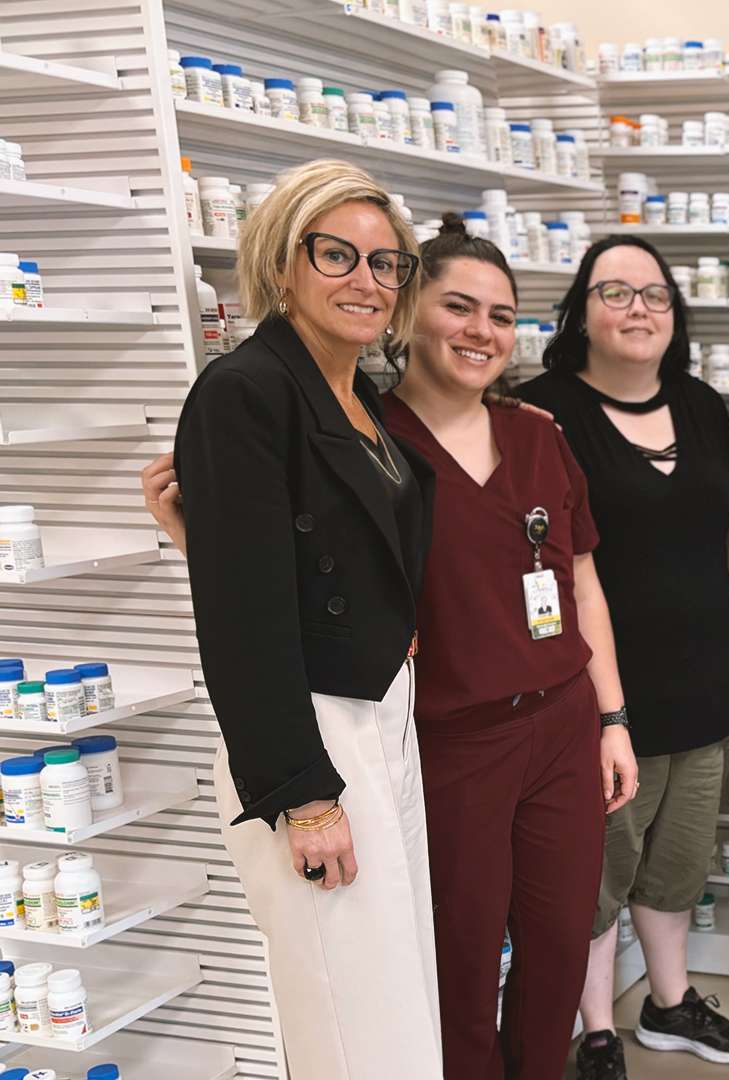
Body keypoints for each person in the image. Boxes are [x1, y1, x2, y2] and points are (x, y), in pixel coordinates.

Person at [155, 203, 642, 1079]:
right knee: (452, 970)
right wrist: (205, 539)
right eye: (459, 306)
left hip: (562, 727)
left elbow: (580, 580)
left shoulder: (529, 433)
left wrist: (612, 718)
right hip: (450, 740)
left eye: (501, 315)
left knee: (558, 952)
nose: (481, 330)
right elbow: (295, 586)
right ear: (413, 313)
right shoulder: (366, 435)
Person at [169, 158, 443, 1079]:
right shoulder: (244, 391)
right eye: (338, 255)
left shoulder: (354, 393)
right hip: (312, 732)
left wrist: (201, 536)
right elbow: (244, 621)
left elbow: (312, 550)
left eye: (386, 262)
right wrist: (304, 795)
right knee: (348, 1014)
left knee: (395, 993)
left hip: (379, 709)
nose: (368, 280)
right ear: (282, 262)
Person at [516, 235, 729, 1080]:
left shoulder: (700, 406)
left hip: (703, 691)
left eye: (655, 294)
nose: (638, 309)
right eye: (614, 292)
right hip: (599, 700)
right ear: (580, 312)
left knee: (677, 867)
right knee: (595, 876)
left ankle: (668, 1001)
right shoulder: (540, 414)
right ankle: (596, 1032)